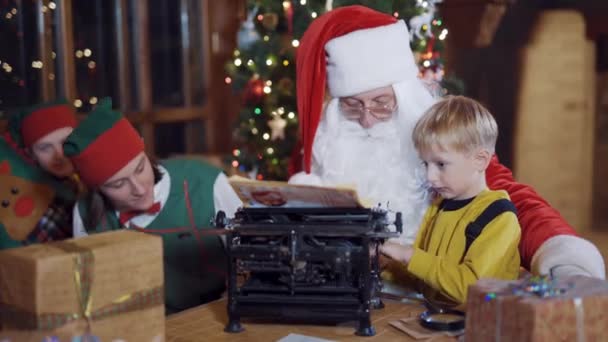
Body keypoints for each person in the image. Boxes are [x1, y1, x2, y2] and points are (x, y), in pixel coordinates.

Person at [289, 5, 605, 279]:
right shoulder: (324, 147)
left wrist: (562, 254)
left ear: (404, 94)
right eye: (352, 105)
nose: (368, 119)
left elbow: (512, 202)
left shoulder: (439, 139)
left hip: (427, 298)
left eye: (382, 102)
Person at [63, 100, 243, 314]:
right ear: (97, 190)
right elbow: (89, 294)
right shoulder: (85, 214)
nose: (138, 188)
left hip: (212, 316)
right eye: (119, 184)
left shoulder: (204, 182)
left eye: (140, 169)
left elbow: (249, 257)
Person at [378, 96, 520, 308]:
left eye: (441, 164)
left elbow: (470, 290)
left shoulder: (499, 218)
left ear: (480, 160)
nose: (430, 177)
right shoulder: (439, 206)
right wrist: (387, 266)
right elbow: (429, 280)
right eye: (426, 164)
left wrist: (408, 254)